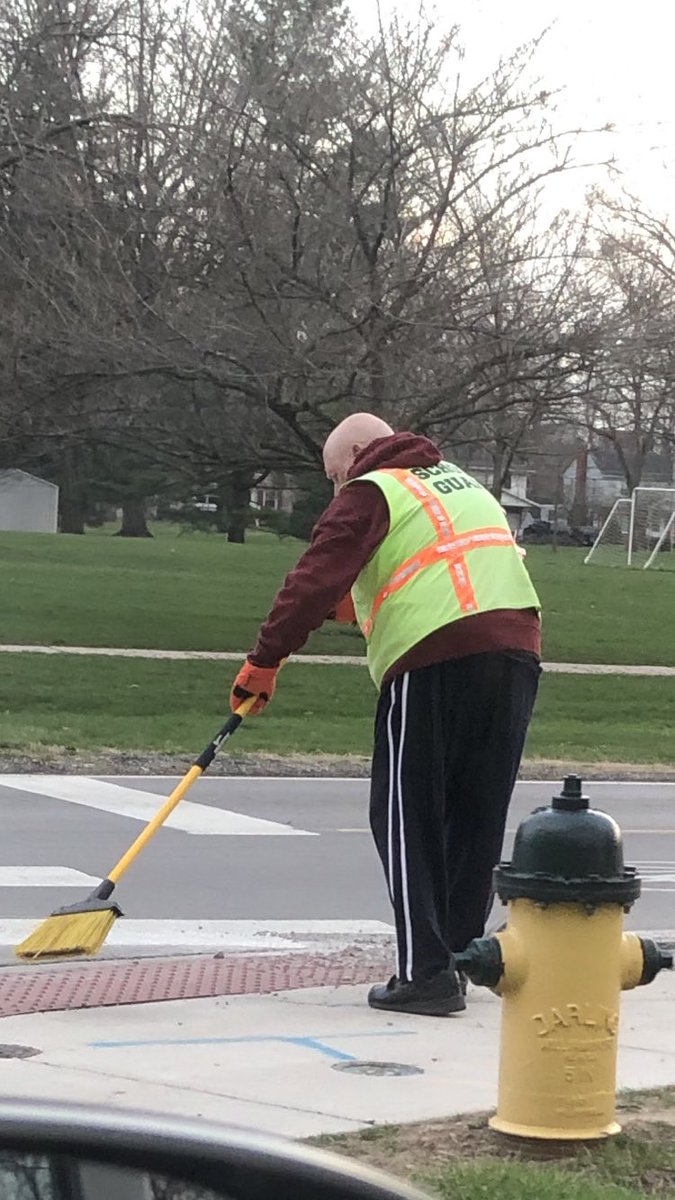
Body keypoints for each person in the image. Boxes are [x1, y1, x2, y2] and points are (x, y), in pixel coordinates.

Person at [230, 414, 541, 1016]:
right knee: (475, 814)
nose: (335, 487)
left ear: (356, 454)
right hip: (516, 652)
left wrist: (264, 660)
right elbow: (438, 562)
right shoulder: (460, 484)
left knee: (405, 813)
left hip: (432, 653)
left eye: (333, 475)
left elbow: (312, 579)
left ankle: (423, 974)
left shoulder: (372, 488)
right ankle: (457, 959)